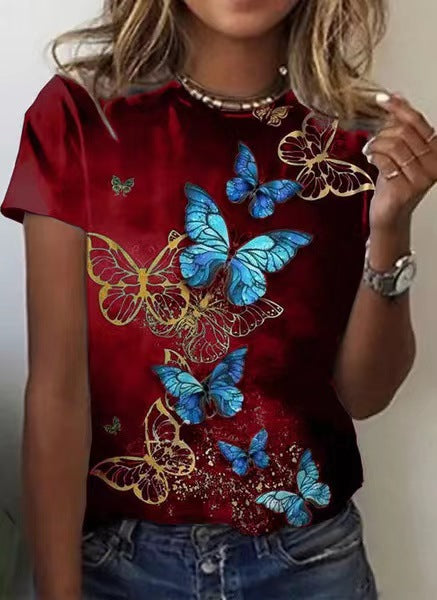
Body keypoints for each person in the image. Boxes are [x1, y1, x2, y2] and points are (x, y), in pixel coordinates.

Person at [1, 1, 437, 598]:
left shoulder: (356, 141)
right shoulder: (80, 116)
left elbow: (364, 394)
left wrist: (391, 225)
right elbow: (57, 392)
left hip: (309, 562)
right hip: (117, 564)